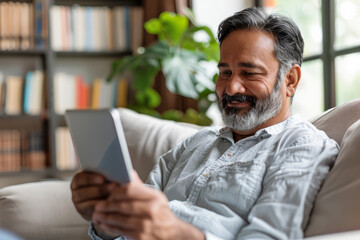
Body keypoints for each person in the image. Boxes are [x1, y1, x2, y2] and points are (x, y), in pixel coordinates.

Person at [71, 7, 339, 240]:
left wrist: (172, 232)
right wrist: (104, 217)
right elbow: (131, 228)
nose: (231, 87)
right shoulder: (193, 144)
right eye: (225, 72)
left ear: (290, 80)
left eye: (249, 73)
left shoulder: (301, 145)